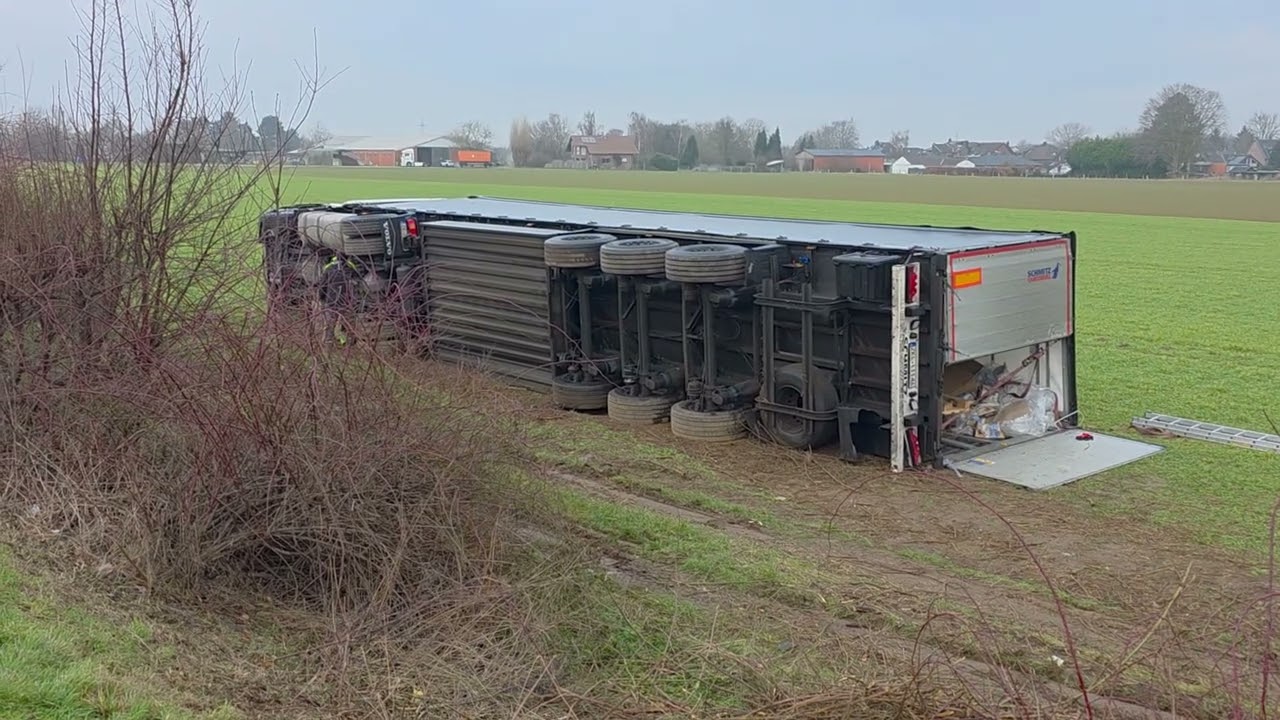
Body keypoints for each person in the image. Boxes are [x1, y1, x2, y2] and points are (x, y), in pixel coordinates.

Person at [317, 252, 360, 346]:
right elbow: (357, 284)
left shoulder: (328, 268)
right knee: (348, 323)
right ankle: (349, 342)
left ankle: (328, 343)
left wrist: (321, 297)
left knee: (329, 324)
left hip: (331, 300)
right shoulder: (350, 267)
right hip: (346, 301)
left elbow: (323, 286)